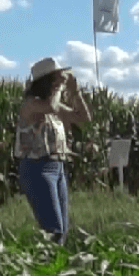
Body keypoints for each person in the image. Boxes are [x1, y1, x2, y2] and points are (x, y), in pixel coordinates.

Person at [15, 57, 92, 245]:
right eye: (56, 77)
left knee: (63, 230)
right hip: (37, 168)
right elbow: (50, 106)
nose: (60, 80)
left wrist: (75, 92)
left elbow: (84, 119)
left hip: (57, 167)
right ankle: (46, 262)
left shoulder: (55, 106)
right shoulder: (31, 104)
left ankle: (55, 261)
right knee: (53, 230)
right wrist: (60, 87)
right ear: (45, 81)